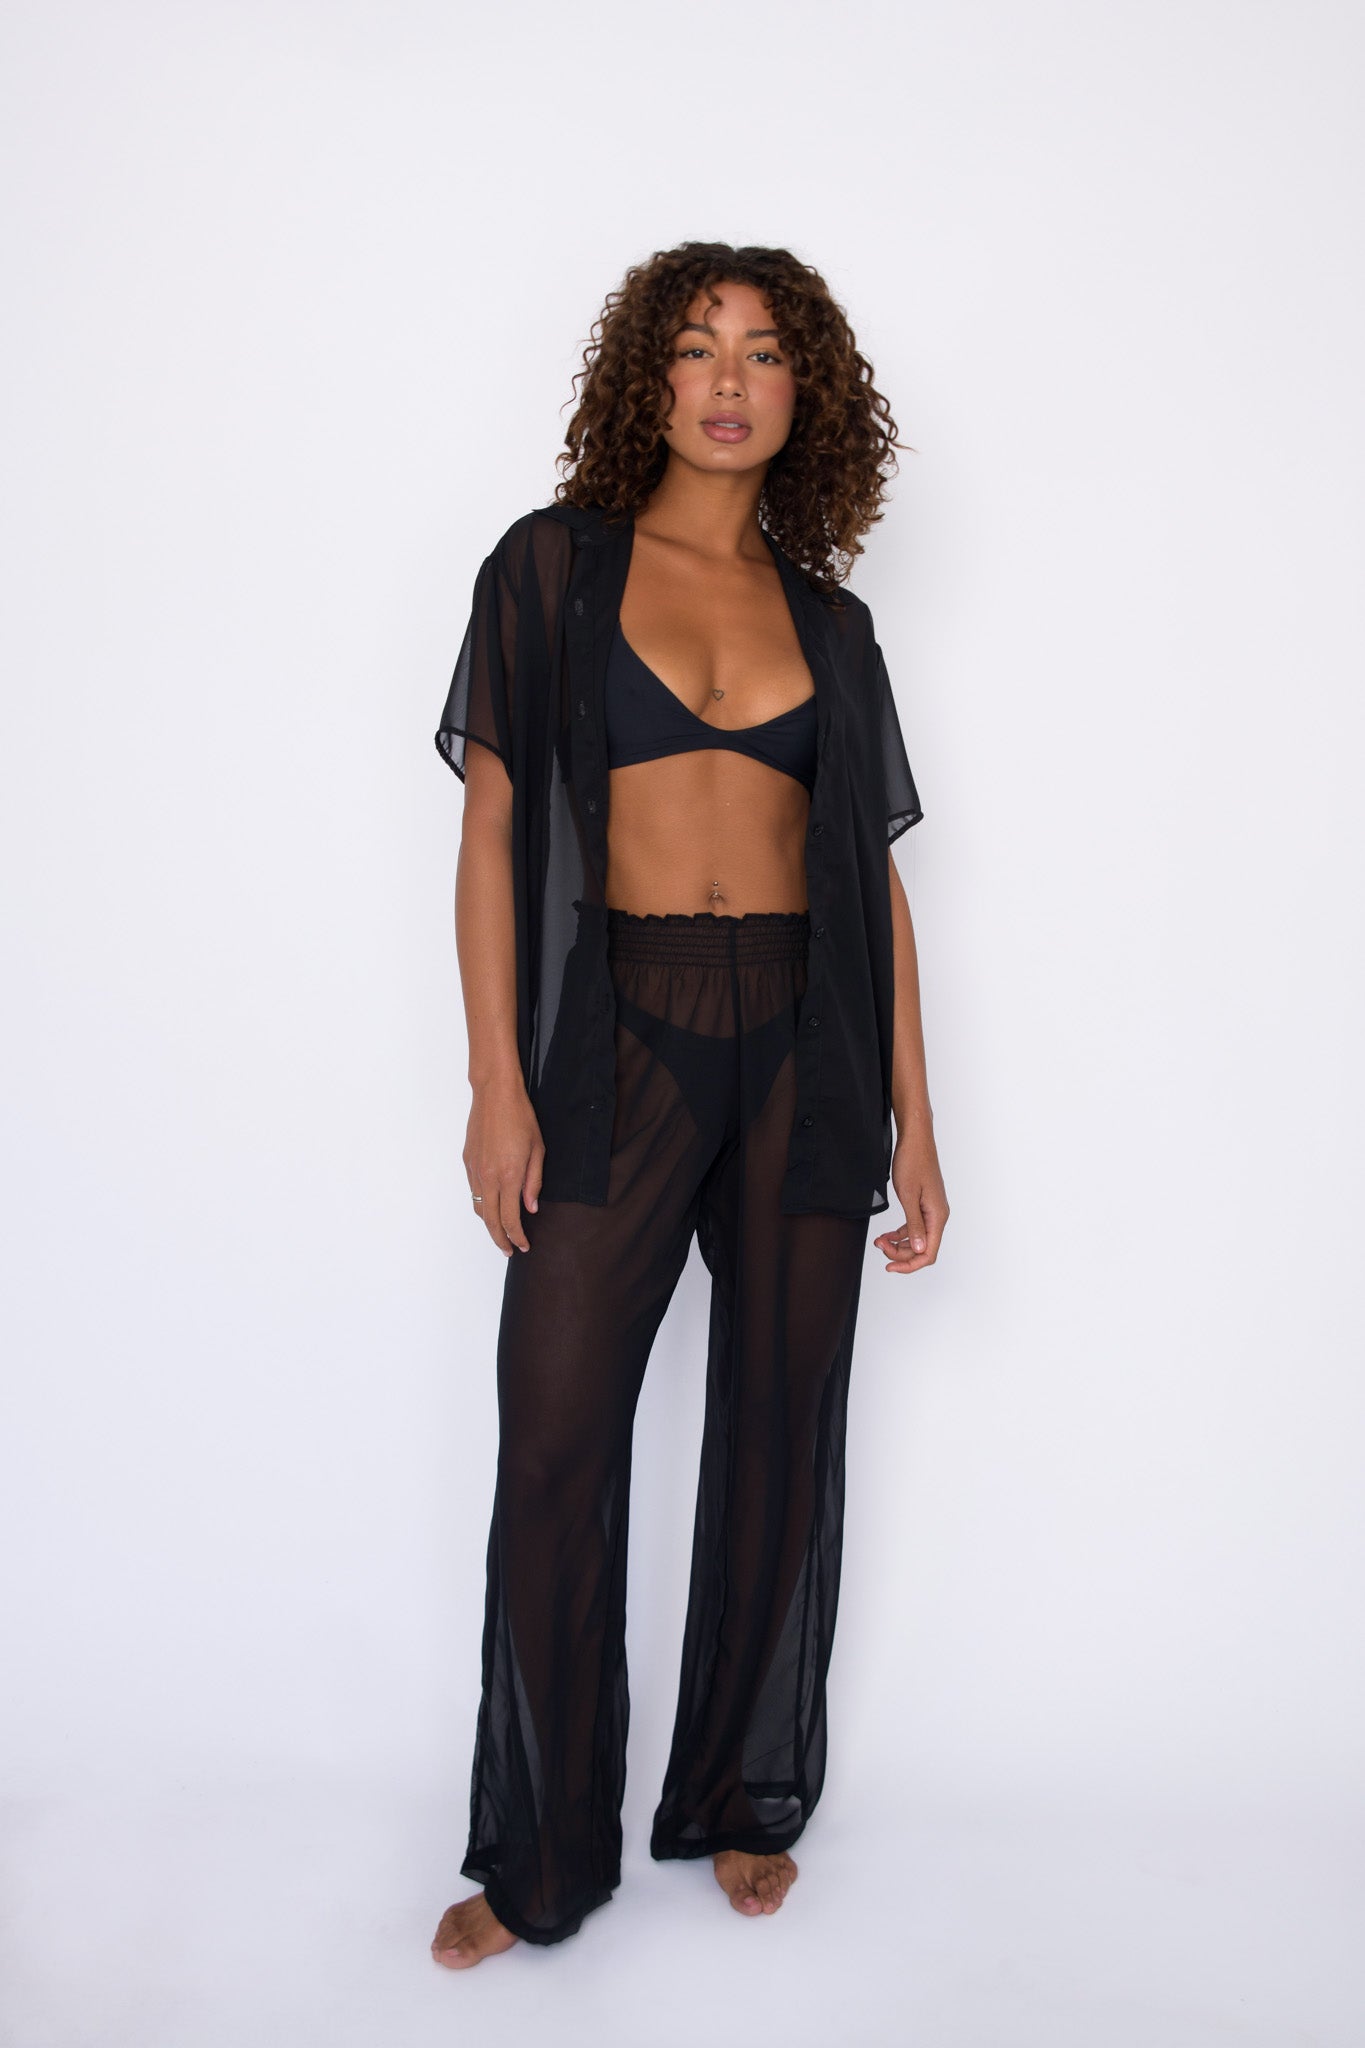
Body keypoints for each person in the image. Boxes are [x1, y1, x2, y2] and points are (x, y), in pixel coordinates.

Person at [429, 241, 949, 1968]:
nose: (730, 380)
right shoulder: (553, 569)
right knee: (555, 1437)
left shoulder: (833, 626)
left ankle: (738, 1790)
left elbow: (871, 885)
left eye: (766, 352)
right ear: (644, 377)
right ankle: (541, 1854)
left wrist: (917, 1120)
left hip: (805, 1041)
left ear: (809, 396)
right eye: (697, 346)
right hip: (620, 1038)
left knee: (782, 1429)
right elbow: (492, 826)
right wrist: (497, 1085)